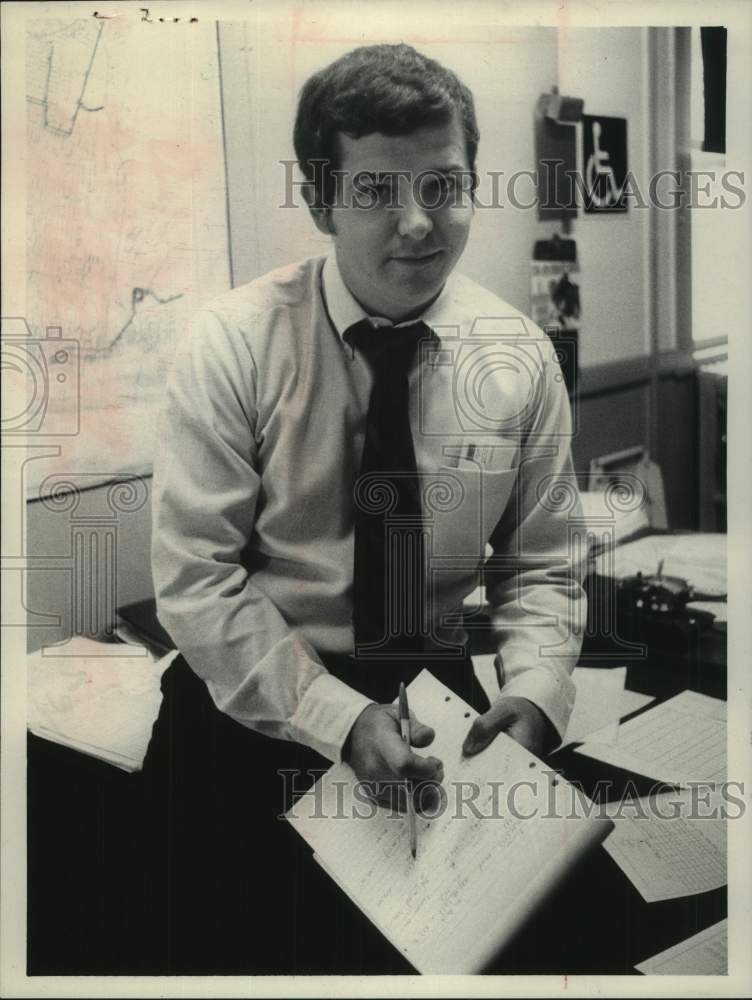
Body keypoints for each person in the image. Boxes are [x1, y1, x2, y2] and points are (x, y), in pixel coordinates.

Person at [147, 42, 586, 974]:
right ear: (321, 202)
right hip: (254, 710)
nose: (419, 224)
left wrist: (536, 690)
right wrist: (334, 718)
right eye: (380, 191)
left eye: (445, 184)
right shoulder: (232, 345)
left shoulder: (519, 354)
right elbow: (197, 581)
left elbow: (542, 563)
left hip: (433, 700)